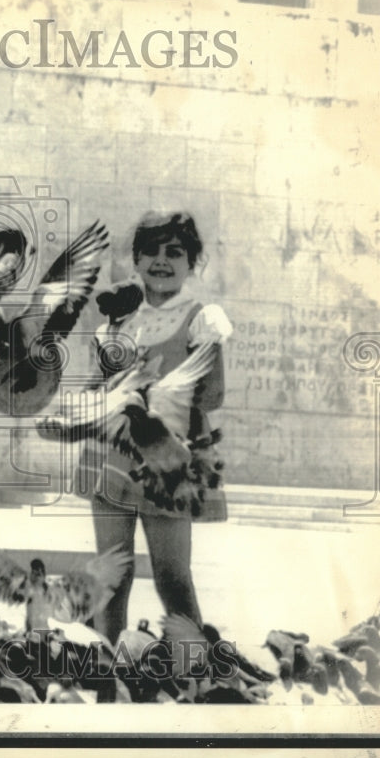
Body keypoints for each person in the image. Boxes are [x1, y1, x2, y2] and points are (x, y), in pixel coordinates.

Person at [82, 209, 233, 645]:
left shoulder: (201, 318)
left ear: (192, 263)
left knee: (172, 575)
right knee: (112, 571)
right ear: (136, 259)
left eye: (175, 252)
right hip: (111, 454)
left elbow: (213, 396)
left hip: (168, 459)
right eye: (150, 251)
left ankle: (196, 669)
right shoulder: (119, 317)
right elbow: (97, 385)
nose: (161, 261)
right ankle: (110, 666)